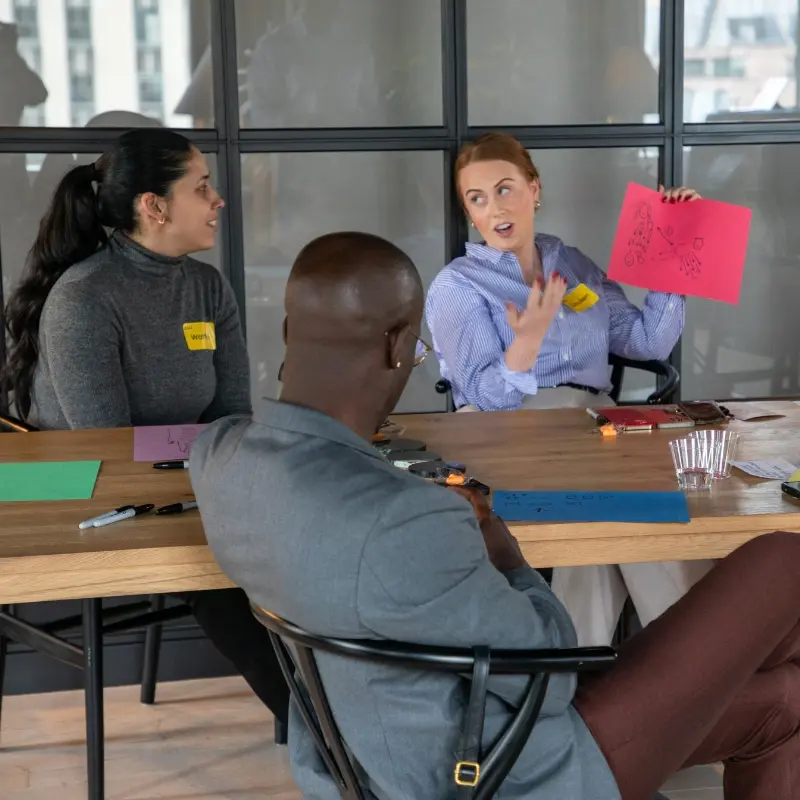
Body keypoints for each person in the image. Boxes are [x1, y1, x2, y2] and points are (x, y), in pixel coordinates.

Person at [190, 230, 800, 799]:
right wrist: (503, 549)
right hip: (496, 771)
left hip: (366, 761)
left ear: (289, 330)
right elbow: (551, 678)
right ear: (396, 346)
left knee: (786, 700)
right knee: (781, 559)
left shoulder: (219, 459)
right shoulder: (405, 520)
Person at [1, 128, 289, 729]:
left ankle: (339, 720)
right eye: (201, 187)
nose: (218, 199)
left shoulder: (205, 287)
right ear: (153, 206)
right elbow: (110, 447)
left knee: (298, 533)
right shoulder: (84, 298)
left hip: (182, 485)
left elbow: (232, 415)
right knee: (222, 563)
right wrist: (207, 460)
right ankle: (321, 729)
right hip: (90, 496)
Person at [425, 132, 714, 646]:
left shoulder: (573, 264)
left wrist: (674, 245)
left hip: (596, 428)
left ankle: (581, 672)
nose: (495, 208)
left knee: (606, 533)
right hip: (509, 438)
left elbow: (646, 342)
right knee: (627, 513)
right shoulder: (458, 285)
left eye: (505, 189)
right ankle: (699, 650)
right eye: (478, 198)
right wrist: (525, 344)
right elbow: (483, 400)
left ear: (534, 190)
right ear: (469, 213)